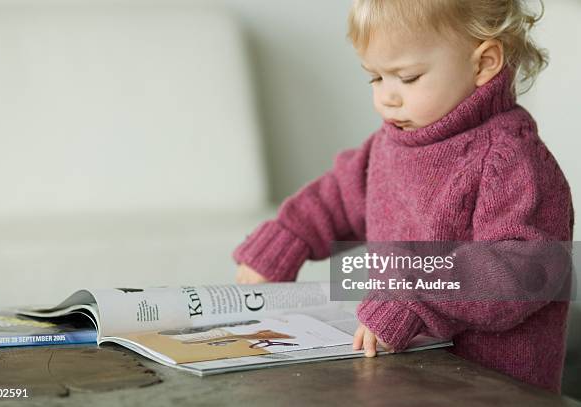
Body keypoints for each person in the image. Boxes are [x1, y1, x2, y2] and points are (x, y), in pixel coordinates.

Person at [233, 0, 574, 393]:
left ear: (483, 64)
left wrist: (416, 296)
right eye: (375, 78)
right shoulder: (391, 143)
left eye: (407, 78)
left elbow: (525, 268)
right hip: (404, 368)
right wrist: (288, 236)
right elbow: (338, 197)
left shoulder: (511, 158)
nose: (387, 98)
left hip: (490, 385)